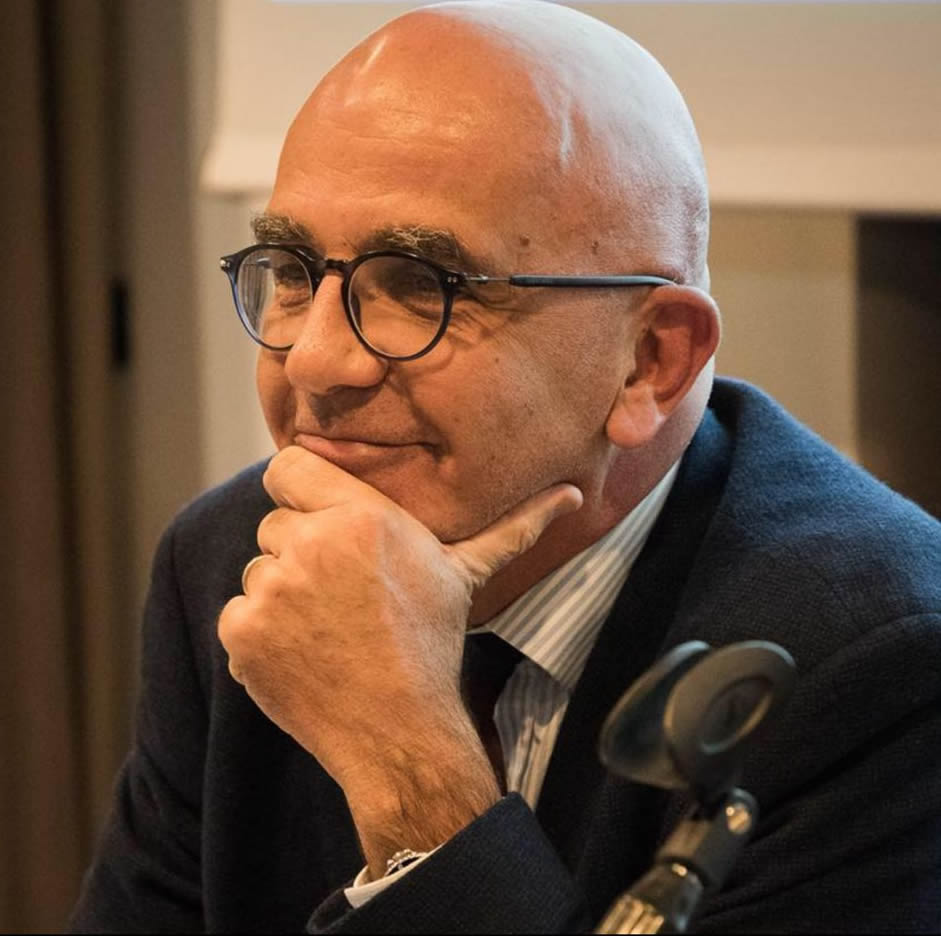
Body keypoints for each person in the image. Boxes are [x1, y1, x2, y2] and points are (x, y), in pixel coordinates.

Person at [70, 1, 941, 932]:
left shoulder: (883, 660)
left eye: (419, 286)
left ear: (651, 360)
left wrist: (403, 758)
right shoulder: (231, 564)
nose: (315, 361)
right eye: (290, 270)